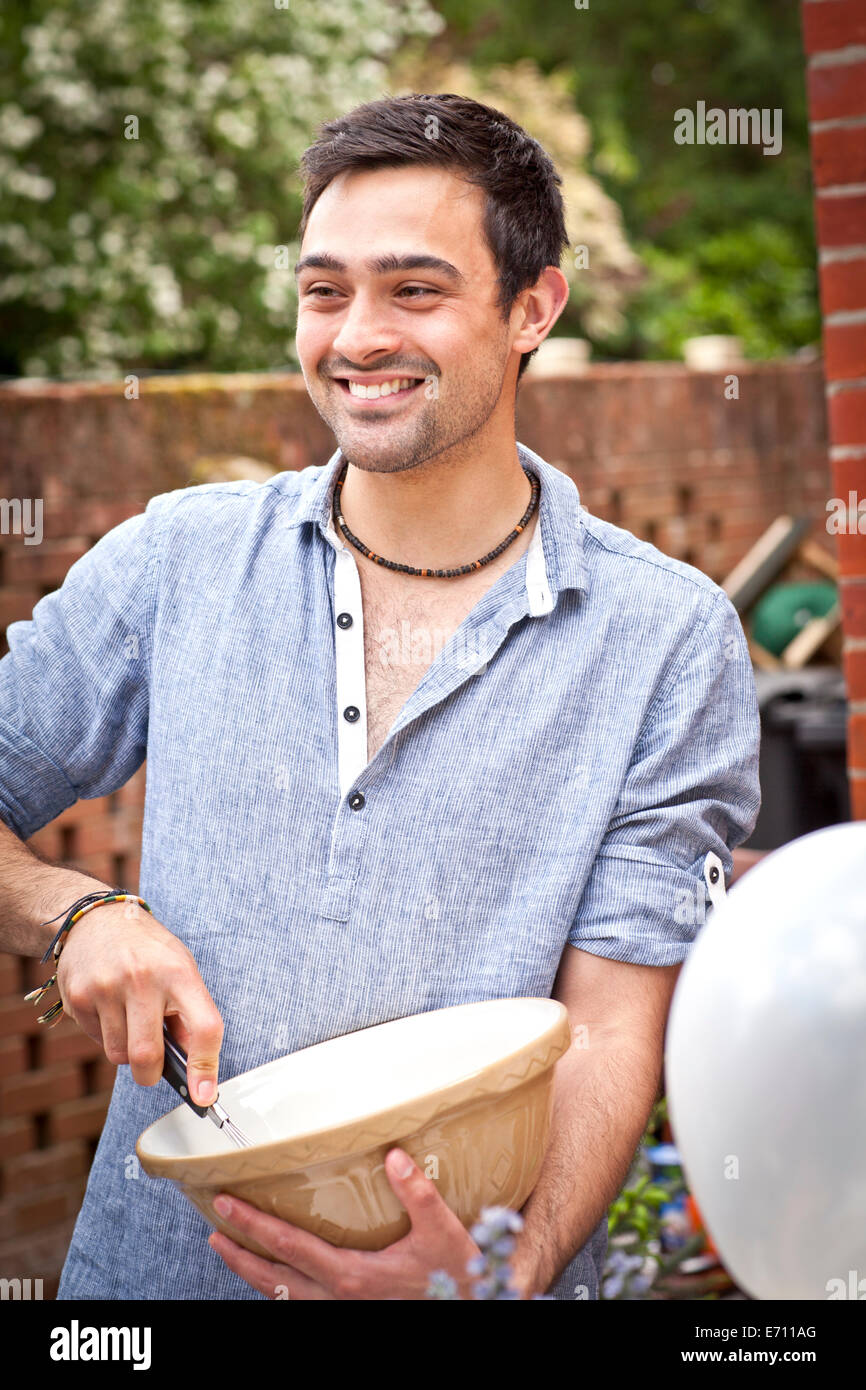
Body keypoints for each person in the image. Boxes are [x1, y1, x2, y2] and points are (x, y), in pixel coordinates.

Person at [0, 93, 760, 1300]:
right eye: (322, 290)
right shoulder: (175, 561)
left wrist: (498, 1278)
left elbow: (612, 1025)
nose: (355, 336)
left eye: (414, 290)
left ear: (532, 308)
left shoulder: (665, 639)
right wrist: (69, 909)